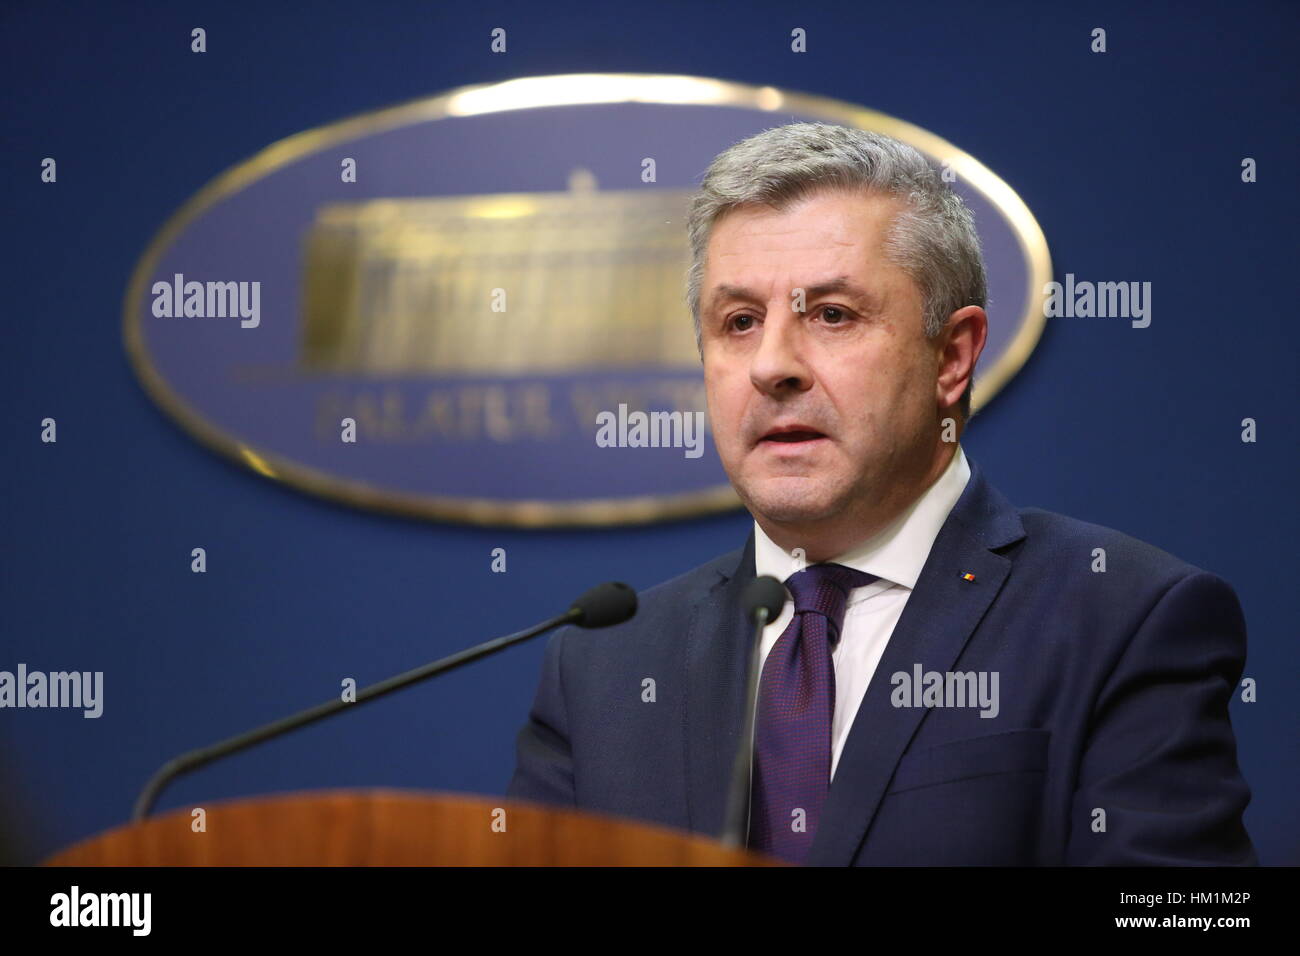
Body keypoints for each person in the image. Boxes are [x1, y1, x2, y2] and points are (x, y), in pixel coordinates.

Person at [507, 123, 1256, 866]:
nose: (773, 366)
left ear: (952, 357)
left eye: (831, 314)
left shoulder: (1119, 618)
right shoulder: (603, 667)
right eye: (738, 323)